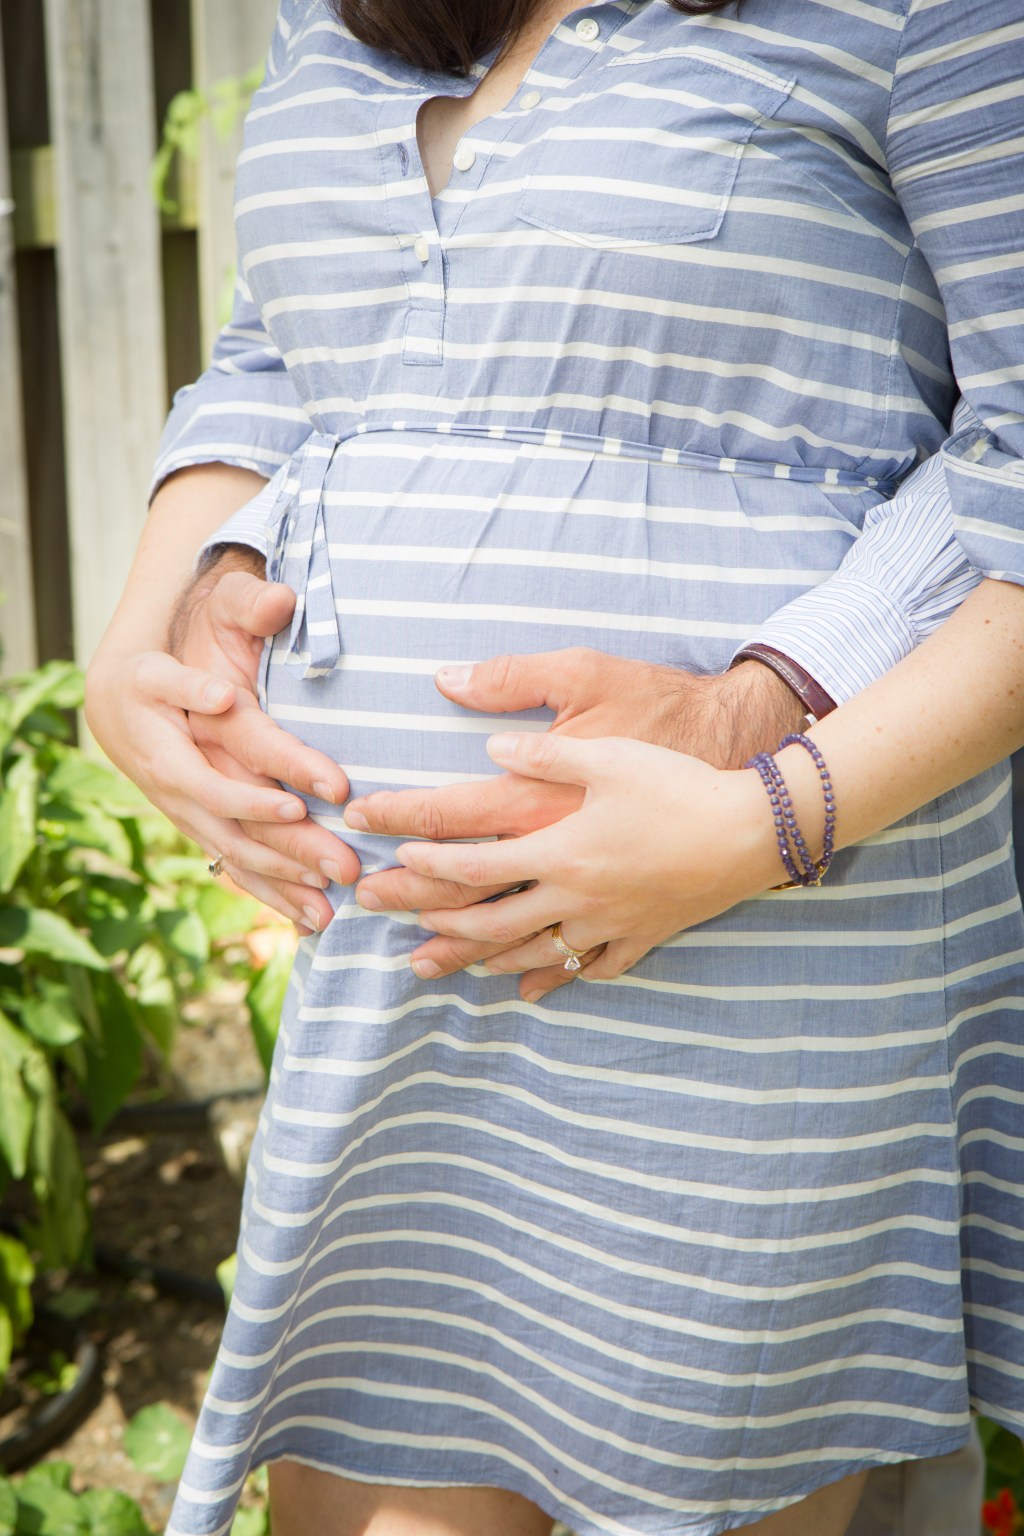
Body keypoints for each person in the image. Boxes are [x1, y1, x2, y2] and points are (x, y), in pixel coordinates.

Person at [85, 0, 1024, 1532]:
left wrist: (757, 765)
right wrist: (149, 630)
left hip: (756, 942)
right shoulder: (341, 16)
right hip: (401, 976)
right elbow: (284, 348)